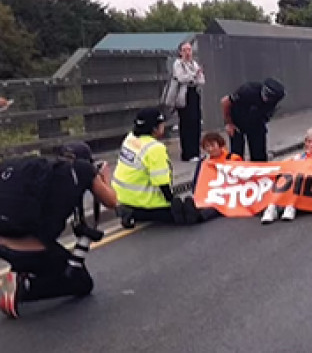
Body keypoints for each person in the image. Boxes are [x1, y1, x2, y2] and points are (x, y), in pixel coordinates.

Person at [0, 142, 118, 319]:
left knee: (43, 257)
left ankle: (21, 272)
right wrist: (103, 178)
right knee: (82, 283)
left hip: (4, 240)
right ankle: (24, 288)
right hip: (27, 247)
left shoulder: (42, 170)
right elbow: (111, 201)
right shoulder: (83, 170)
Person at [113, 108, 202, 227]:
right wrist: (171, 202)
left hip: (123, 197)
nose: (163, 126)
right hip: (145, 200)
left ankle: (131, 213)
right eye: (162, 124)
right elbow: (161, 182)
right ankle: (135, 214)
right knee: (189, 214)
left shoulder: (130, 138)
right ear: (154, 128)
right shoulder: (155, 148)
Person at [261, 127, 312, 224]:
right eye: (309, 142)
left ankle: (290, 206)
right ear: (306, 143)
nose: (311, 145)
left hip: (311, 190)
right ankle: (272, 207)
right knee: (284, 177)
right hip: (295, 187)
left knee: (298, 180)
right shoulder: (300, 157)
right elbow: (283, 166)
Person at [220, 78, 286, 162]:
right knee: (236, 155)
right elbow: (225, 102)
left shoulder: (274, 101)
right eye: (267, 96)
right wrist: (228, 123)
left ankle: (260, 172)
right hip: (237, 120)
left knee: (259, 155)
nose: (267, 100)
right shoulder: (248, 90)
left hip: (256, 122)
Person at [173, 42, 206, 162]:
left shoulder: (194, 64)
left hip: (194, 93)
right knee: (186, 123)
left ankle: (196, 151)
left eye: (189, 50)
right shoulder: (178, 64)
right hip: (183, 95)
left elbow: (201, 80)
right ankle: (187, 152)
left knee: (196, 122)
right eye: (184, 50)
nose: (187, 53)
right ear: (180, 52)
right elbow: (181, 78)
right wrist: (194, 75)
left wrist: (194, 77)